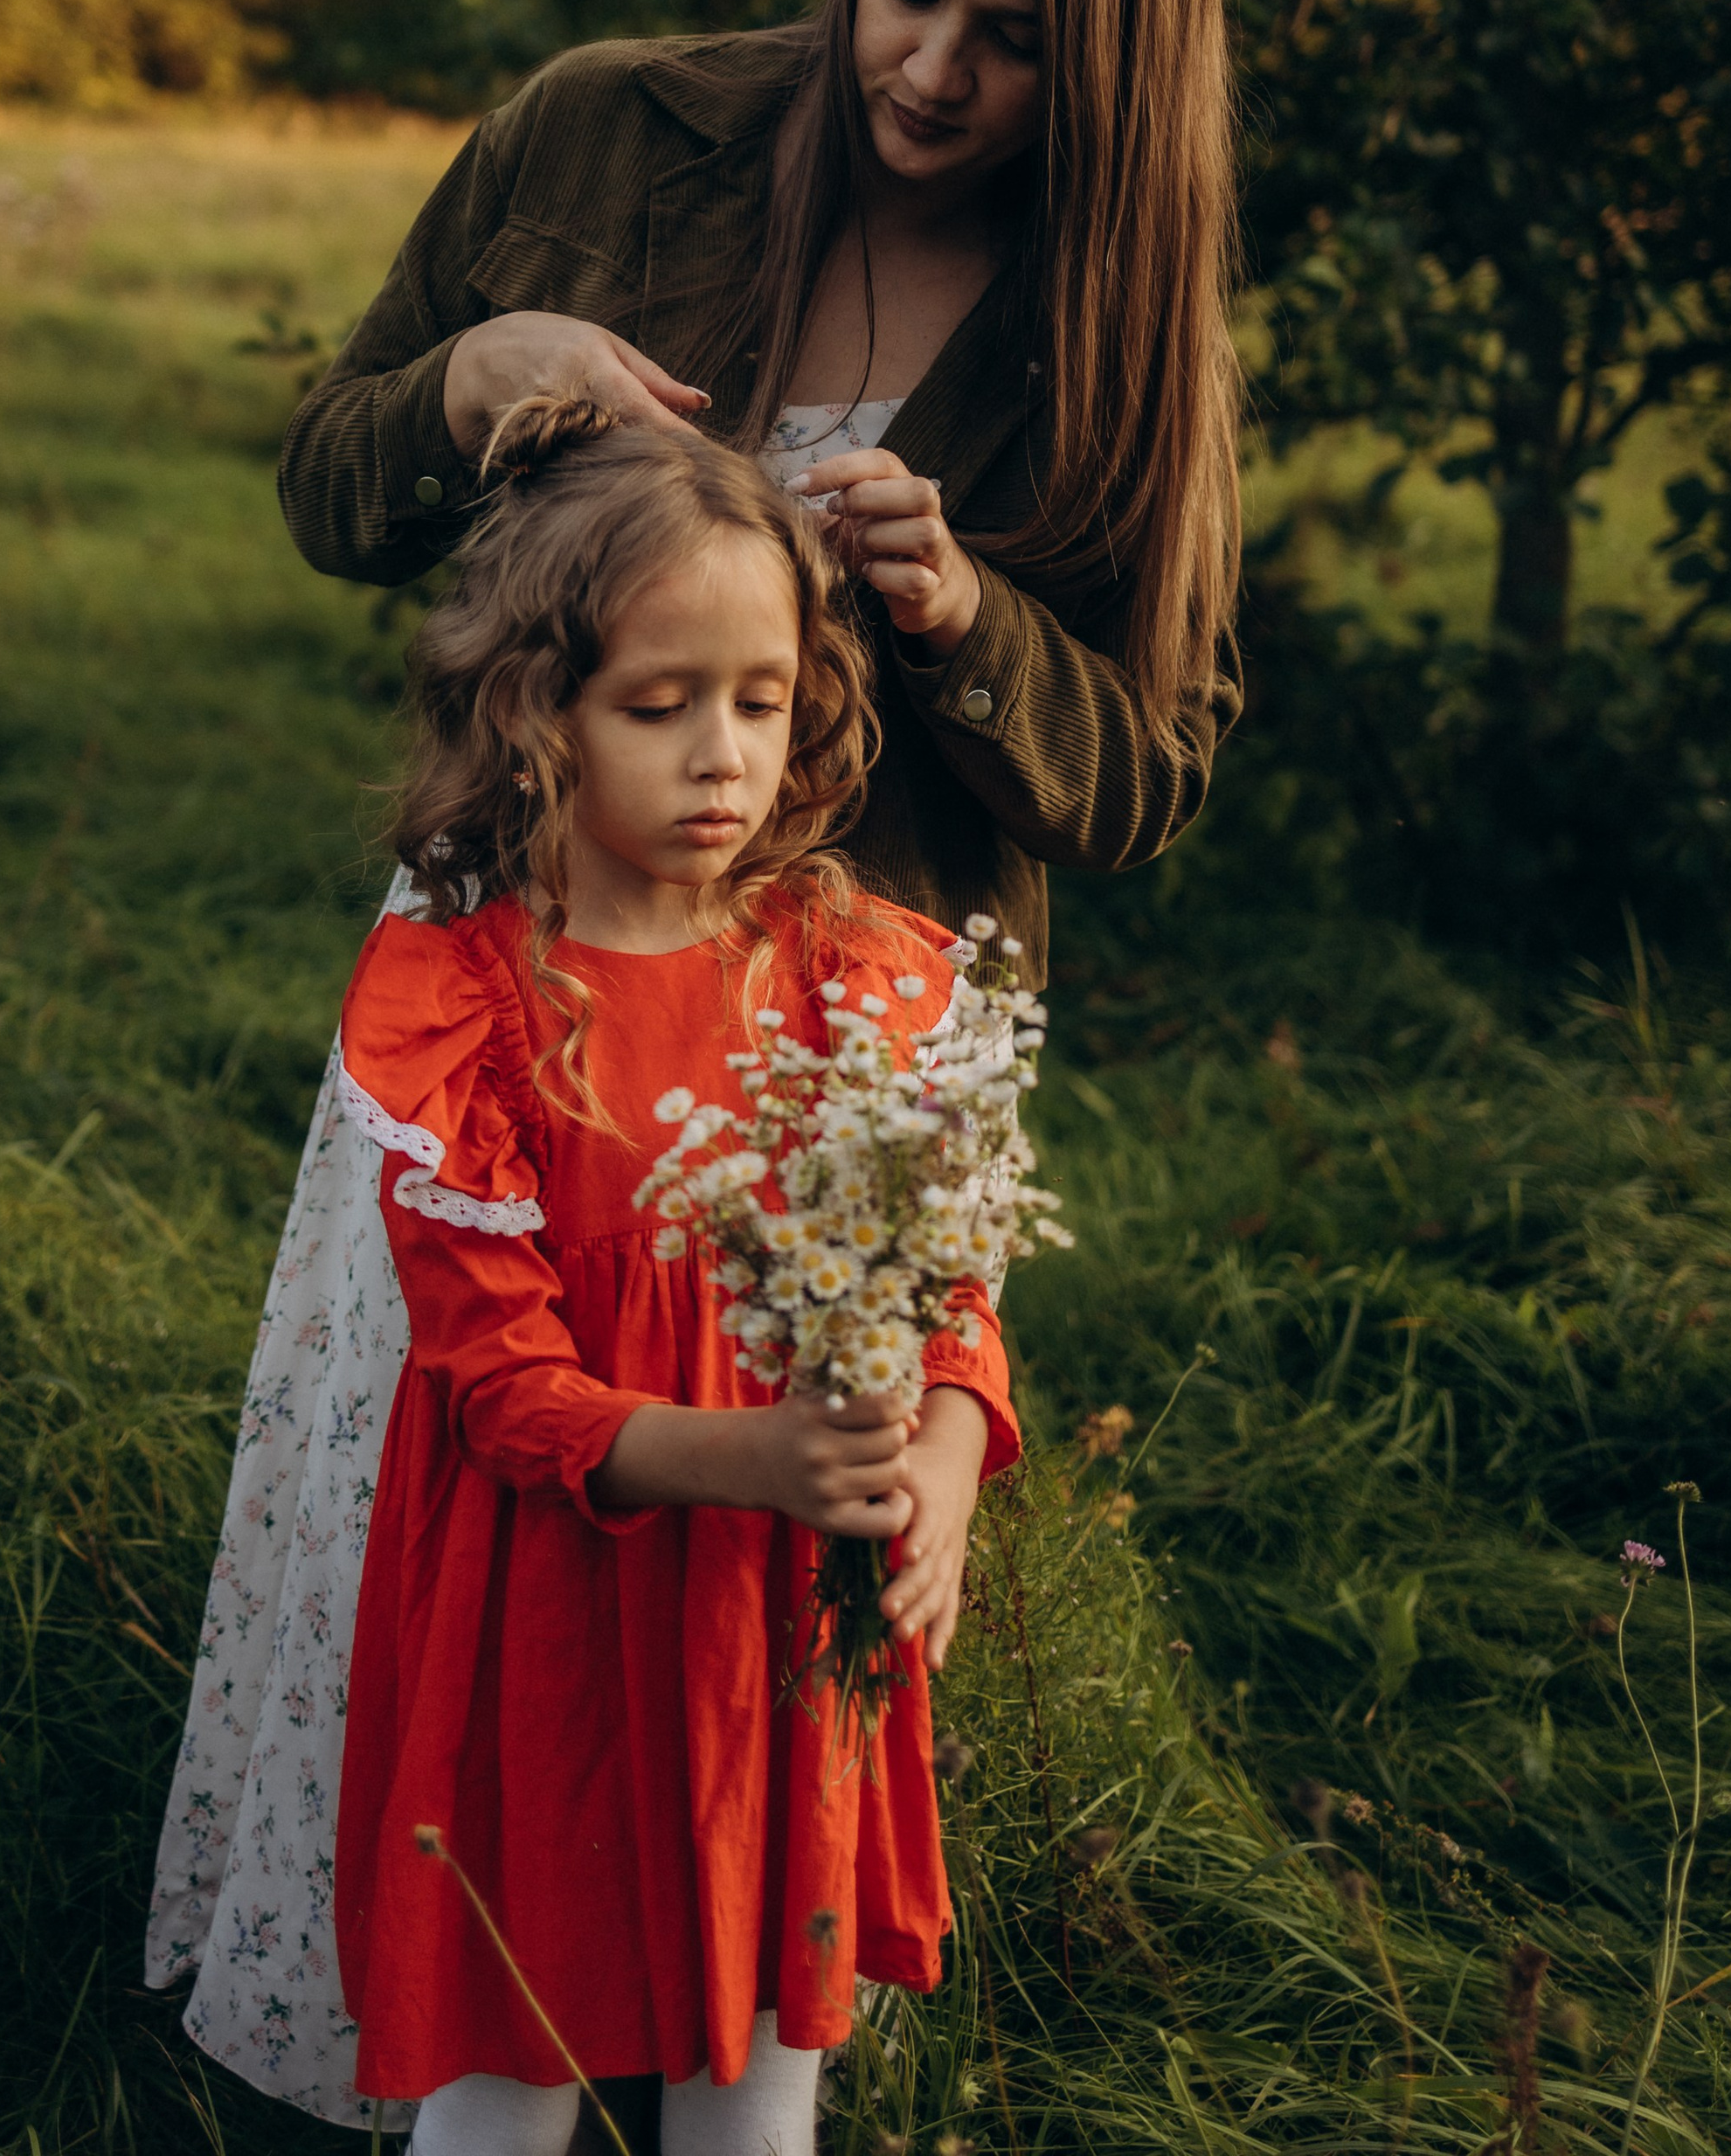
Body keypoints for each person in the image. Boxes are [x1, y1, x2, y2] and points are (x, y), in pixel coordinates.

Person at [146, 0, 1243, 2120]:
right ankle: (421, 2040)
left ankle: (729, 2054)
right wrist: (467, 384)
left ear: (1117, 57)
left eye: (1017, 38)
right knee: (467, 1528)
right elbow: (335, 480)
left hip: (833, 1090)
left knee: (761, 1611)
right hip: (527, 1011)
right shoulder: (607, 130)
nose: (933, 68)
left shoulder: (1115, 326)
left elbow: (1150, 774)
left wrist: (964, 617)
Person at [338, 395, 1016, 2153]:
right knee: (507, 2082)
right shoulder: (470, 1007)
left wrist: (940, 1453)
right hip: (542, 1633)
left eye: (761, 698)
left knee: (751, 2079)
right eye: (658, 706)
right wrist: (753, 1461)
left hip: (771, 1638)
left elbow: (941, 1279)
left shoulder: (839, 976)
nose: (722, 754)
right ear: (535, 715)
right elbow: (497, 1385)